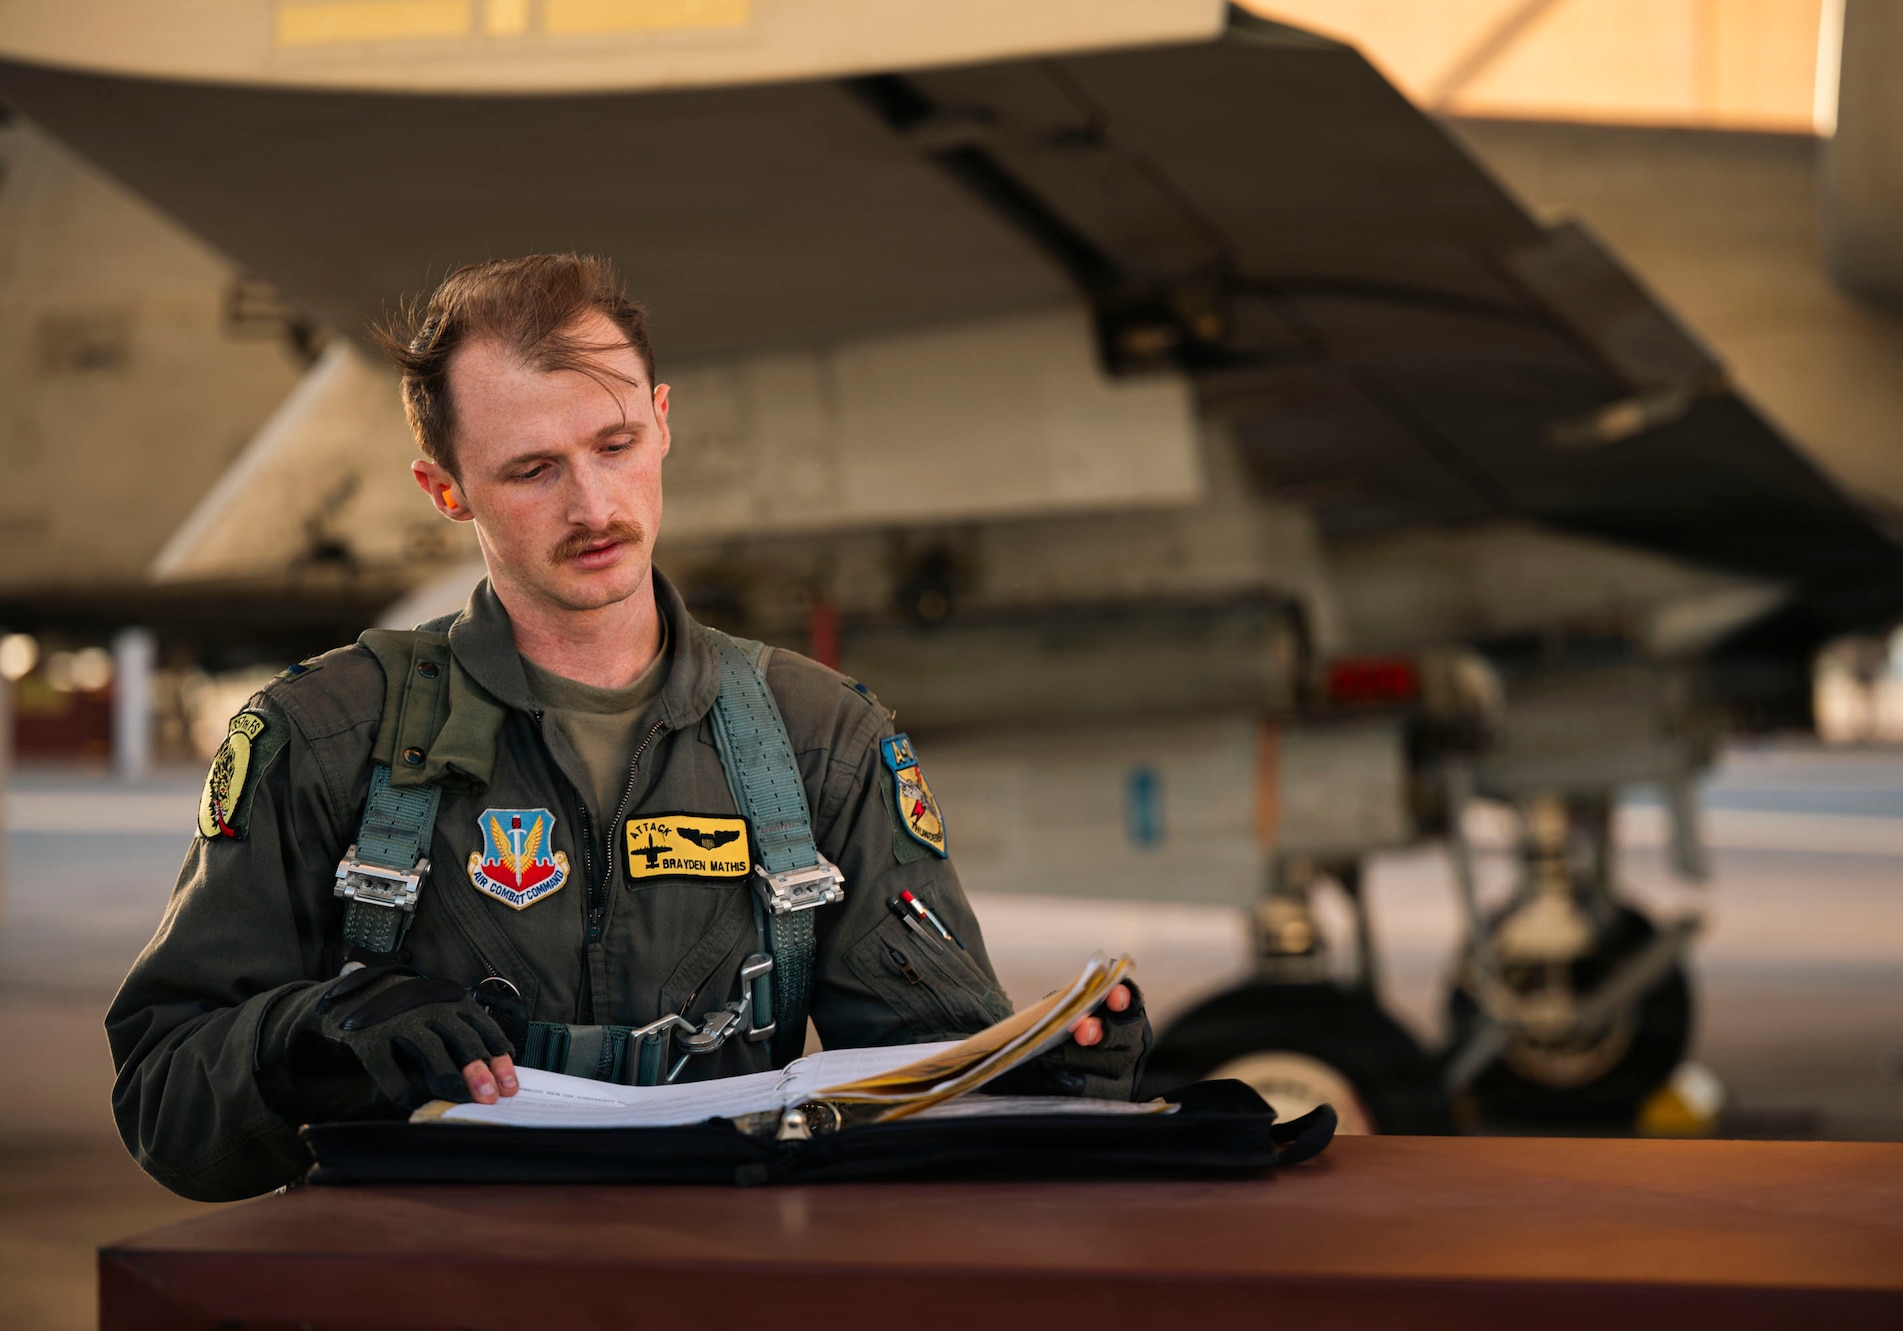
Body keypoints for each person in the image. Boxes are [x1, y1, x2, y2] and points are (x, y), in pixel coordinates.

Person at [106, 253, 1147, 1202]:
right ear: (445, 488)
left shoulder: (818, 735)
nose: (594, 503)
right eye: (531, 469)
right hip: (429, 1289)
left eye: (615, 444)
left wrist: (1051, 1071)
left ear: (662, 421)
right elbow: (164, 1107)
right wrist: (304, 1032)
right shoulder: (324, 735)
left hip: (722, 1287)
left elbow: (930, 1072)